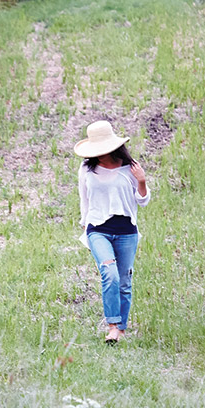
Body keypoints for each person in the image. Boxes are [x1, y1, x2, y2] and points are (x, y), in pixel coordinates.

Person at [74, 120, 150, 343]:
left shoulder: (130, 168)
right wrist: (86, 231)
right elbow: (84, 201)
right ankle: (113, 326)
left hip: (127, 231)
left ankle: (122, 329)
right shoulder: (86, 169)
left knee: (125, 280)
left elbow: (142, 201)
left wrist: (142, 181)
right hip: (98, 230)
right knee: (110, 274)